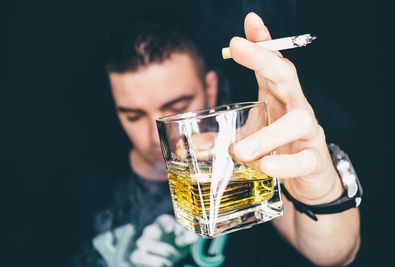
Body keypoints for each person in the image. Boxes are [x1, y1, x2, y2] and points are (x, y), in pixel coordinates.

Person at [73, 12, 360, 267]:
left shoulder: (248, 170)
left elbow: (337, 255)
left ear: (210, 89)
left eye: (176, 110)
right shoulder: (80, 187)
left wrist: (321, 192)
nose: (154, 136)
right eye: (133, 116)